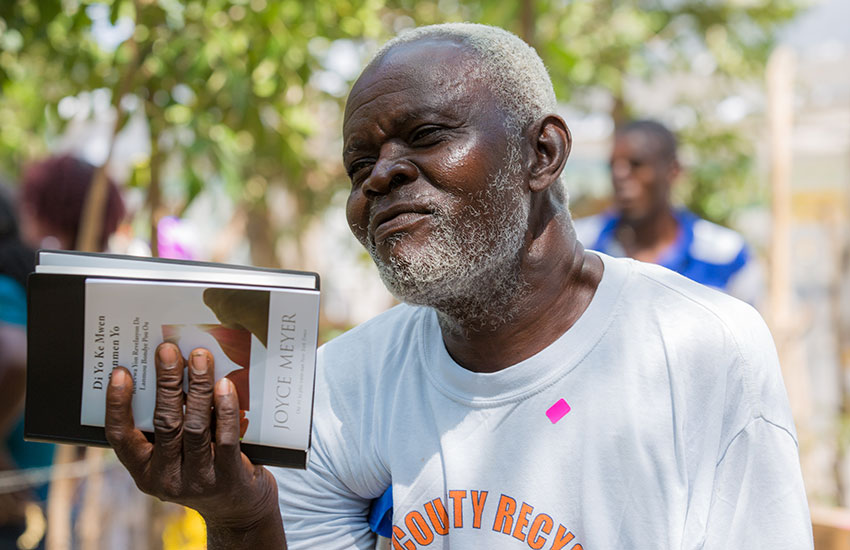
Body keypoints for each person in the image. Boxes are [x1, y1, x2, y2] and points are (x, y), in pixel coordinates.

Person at [103, 23, 813, 549]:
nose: (380, 177)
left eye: (427, 133)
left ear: (543, 153)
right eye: (359, 166)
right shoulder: (343, 390)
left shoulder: (697, 347)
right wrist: (241, 519)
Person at [574, 120, 763, 305]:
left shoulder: (725, 255)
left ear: (673, 170)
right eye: (613, 166)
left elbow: (746, 333)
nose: (620, 175)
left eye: (636, 164)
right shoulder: (581, 247)